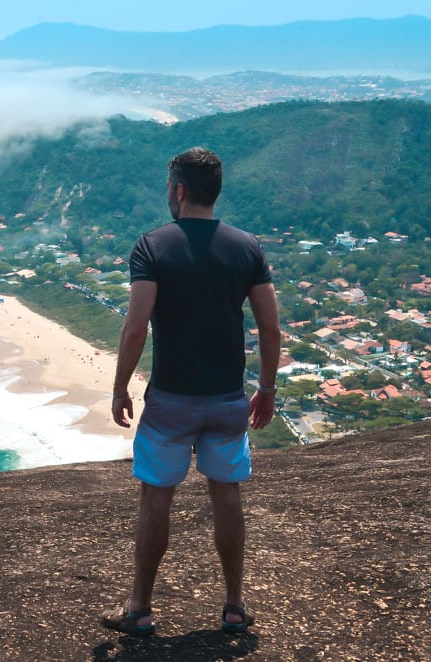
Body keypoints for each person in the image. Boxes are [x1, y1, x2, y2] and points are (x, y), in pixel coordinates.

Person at [100, 147, 281, 637]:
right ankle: (235, 607)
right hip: (227, 402)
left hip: (171, 404)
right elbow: (270, 330)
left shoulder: (152, 246)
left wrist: (120, 387)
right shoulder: (247, 247)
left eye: (168, 188)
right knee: (226, 494)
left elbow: (136, 328)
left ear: (178, 190)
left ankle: (139, 609)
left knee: (156, 497)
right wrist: (266, 388)